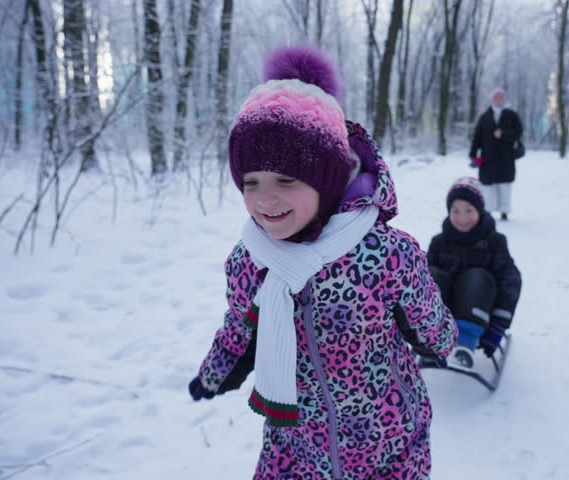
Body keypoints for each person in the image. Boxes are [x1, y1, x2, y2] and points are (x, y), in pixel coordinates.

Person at [187, 46, 457, 480]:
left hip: (386, 440)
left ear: (328, 180)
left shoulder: (384, 256)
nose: (263, 198)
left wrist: (440, 340)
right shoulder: (250, 261)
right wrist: (214, 373)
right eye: (250, 182)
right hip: (296, 445)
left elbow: (431, 323)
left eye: (286, 180)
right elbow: (241, 327)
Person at [427, 177, 521, 366]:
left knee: (478, 277)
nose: (462, 217)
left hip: (480, 310)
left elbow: (510, 280)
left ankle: (465, 343)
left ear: (479, 210)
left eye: (469, 210)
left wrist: (498, 325)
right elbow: (419, 280)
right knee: (431, 275)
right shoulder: (439, 242)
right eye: (456, 211)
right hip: (444, 313)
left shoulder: (494, 241)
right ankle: (431, 341)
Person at [469, 88, 524, 221]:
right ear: (492, 99)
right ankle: (488, 212)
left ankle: (504, 212)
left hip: (506, 159)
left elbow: (519, 132)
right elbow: (477, 138)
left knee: (505, 187)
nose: (498, 100)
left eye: (501, 97)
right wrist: (473, 155)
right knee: (488, 188)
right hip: (487, 160)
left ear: (504, 99)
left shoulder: (512, 115)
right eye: (496, 97)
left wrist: (504, 134)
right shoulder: (484, 117)